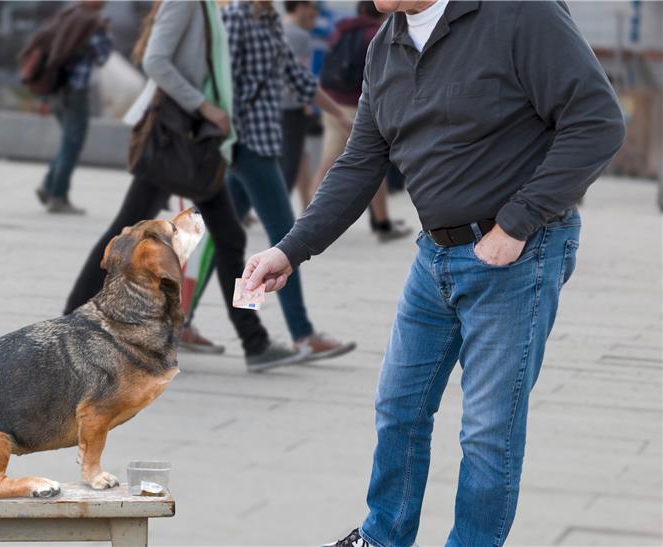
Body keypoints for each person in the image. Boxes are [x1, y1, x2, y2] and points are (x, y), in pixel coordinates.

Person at [242, 0, 625, 545]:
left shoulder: (520, 14)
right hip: (434, 257)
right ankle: (382, 536)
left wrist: (516, 224)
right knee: (399, 409)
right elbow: (361, 162)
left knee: (488, 433)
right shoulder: (385, 43)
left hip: (517, 253)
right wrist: (289, 250)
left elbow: (597, 121)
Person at [64, 0, 307, 372]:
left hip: (197, 142)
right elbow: (156, 61)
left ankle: (254, 339)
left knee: (228, 237)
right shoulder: (188, 2)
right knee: (129, 232)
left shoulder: (207, 6)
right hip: (180, 139)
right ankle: (71, 324)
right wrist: (205, 107)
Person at [221, 0, 356, 363]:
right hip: (247, 146)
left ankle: (182, 322)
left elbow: (298, 80)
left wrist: (340, 116)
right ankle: (302, 334)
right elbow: (223, 78)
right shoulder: (236, 16)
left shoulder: (268, 19)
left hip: (261, 143)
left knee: (223, 238)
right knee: (285, 240)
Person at [311, 1, 410, 243]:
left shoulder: (340, 30)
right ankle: (382, 223)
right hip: (357, 106)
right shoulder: (375, 35)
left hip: (333, 102)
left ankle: (309, 220)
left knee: (329, 163)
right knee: (371, 164)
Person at [33, 0, 113, 215]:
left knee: (68, 142)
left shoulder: (69, 14)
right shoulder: (93, 21)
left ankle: (48, 185)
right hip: (76, 90)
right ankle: (58, 197)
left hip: (56, 87)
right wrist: (106, 34)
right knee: (72, 145)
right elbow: (102, 56)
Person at [280, 0, 318, 204]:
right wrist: (307, 103)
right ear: (300, 6)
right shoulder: (301, 36)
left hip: (271, 105)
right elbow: (302, 73)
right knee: (289, 163)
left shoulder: (277, 27)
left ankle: (306, 203)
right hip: (292, 107)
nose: (314, 12)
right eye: (312, 6)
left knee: (300, 156)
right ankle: (279, 210)